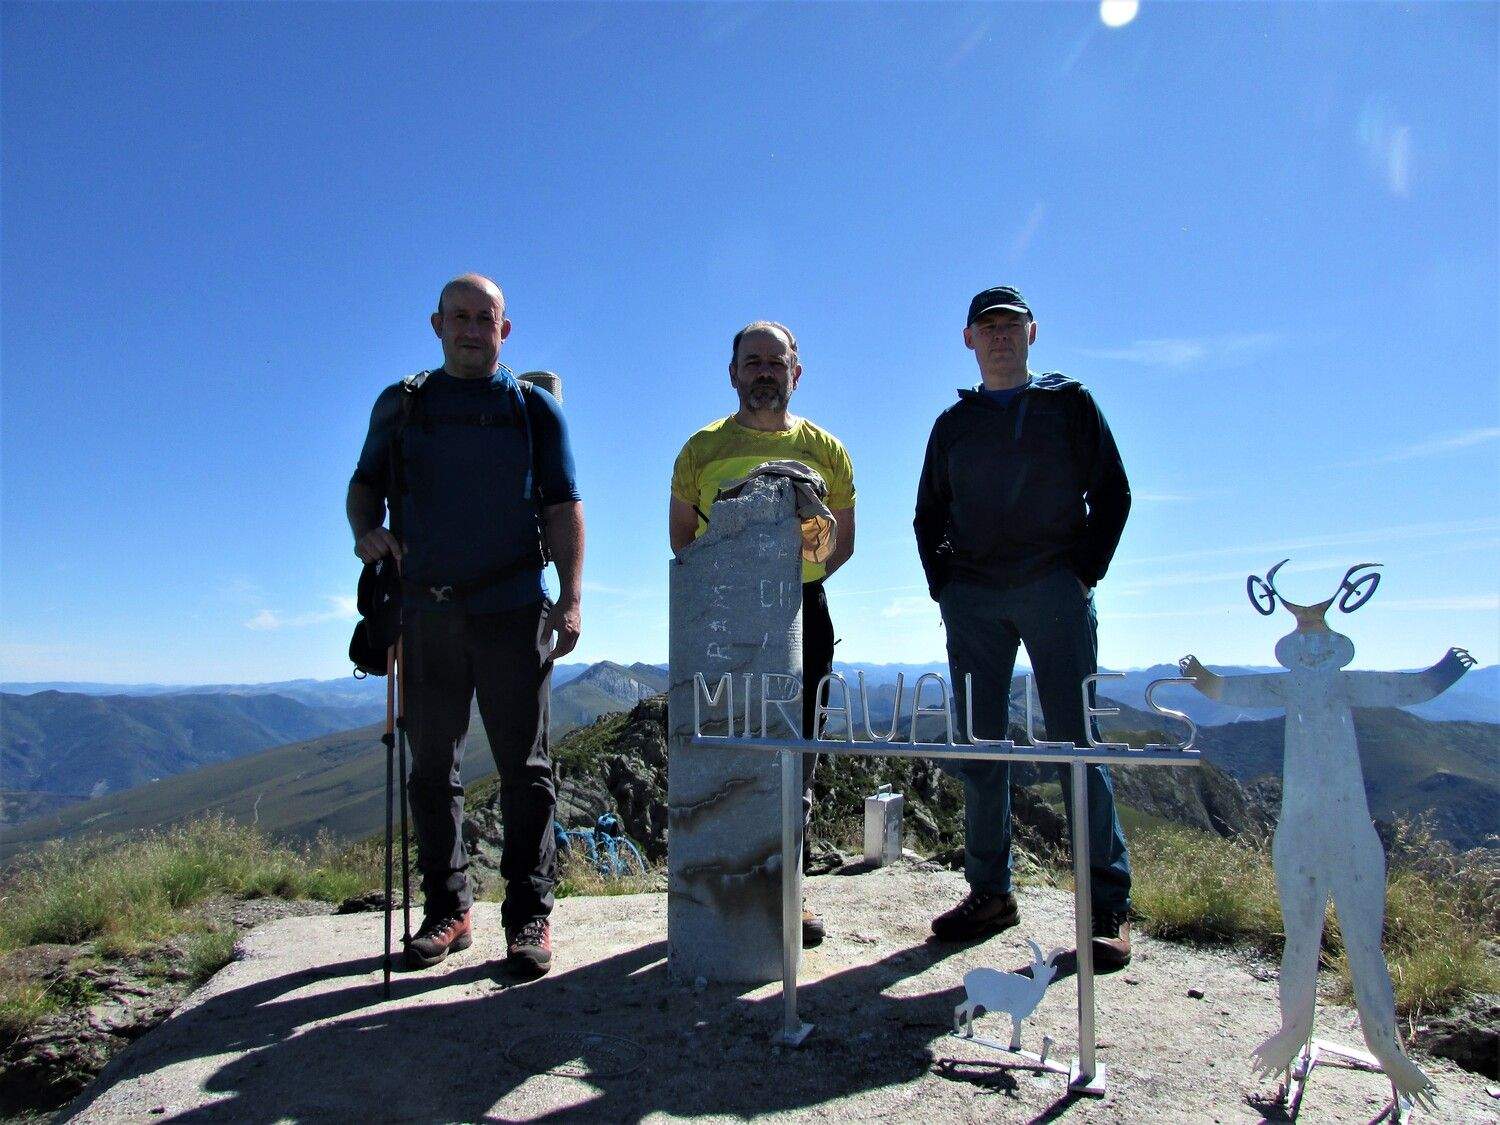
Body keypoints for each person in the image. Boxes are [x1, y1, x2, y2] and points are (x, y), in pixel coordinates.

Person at [347, 273, 583, 977]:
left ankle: (528, 915)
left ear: (505, 330)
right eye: (460, 317)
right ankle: (449, 909)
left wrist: (571, 598)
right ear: (437, 323)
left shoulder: (534, 410)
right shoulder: (402, 405)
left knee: (526, 770)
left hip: (513, 607)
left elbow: (563, 505)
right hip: (425, 611)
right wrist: (367, 531)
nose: (473, 328)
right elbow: (364, 485)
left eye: (486, 318)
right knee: (430, 770)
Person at [913, 286, 1134, 966]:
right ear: (969, 339)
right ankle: (991, 892)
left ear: (1033, 333)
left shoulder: (1070, 405)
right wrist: (948, 585)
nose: (1000, 335)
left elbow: (1114, 493)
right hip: (974, 600)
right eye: (989, 326)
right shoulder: (954, 423)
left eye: (1011, 324)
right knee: (981, 745)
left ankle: (1106, 907)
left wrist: (1081, 572)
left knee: (1078, 742)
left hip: (1053, 591)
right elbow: (930, 515)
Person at [669, 320, 855, 947]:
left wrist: (798, 547)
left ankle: (788, 890)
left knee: (796, 751)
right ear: (733, 373)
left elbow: (838, 544)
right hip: (722, 614)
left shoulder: (828, 451)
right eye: (753, 362)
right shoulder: (700, 449)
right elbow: (682, 538)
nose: (765, 372)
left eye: (777, 362)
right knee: (730, 742)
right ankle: (722, 879)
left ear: (796, 374)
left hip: (801, 609)